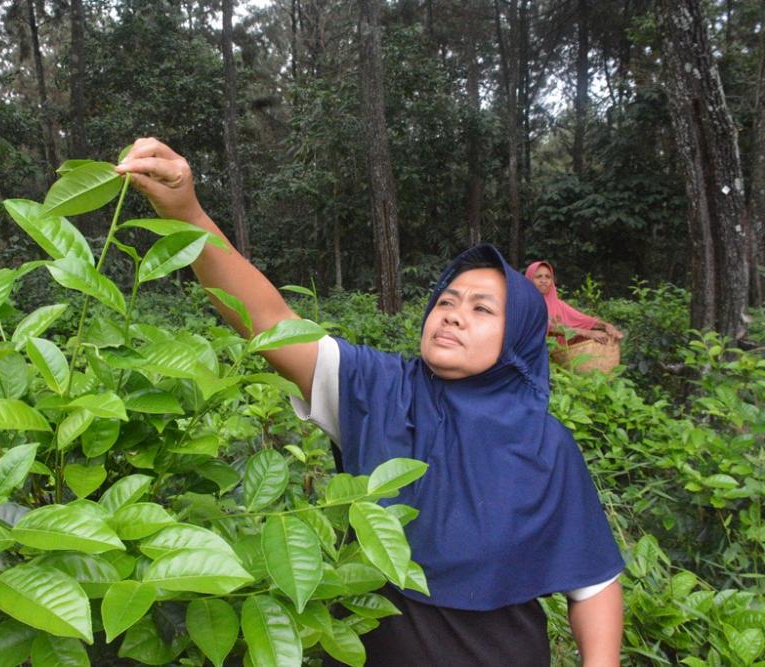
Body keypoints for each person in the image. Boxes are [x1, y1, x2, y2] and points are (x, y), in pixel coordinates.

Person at [116, 138, 625, 666]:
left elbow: (593, 583)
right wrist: (186, 213)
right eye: (446, 300)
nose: (452, 314)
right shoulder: (378, 390)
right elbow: (269, 322)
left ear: (517, 334)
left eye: (481, 309)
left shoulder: (546, 445)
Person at [525, 260, 624, 346]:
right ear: (529, 279)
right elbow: (547, 326)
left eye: (548, 277)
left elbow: (582, 320)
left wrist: (606, 326)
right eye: (538, 277)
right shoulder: (525, 304)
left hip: (560, 356)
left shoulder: (557, 304)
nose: (544, 281)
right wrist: (586, 333)